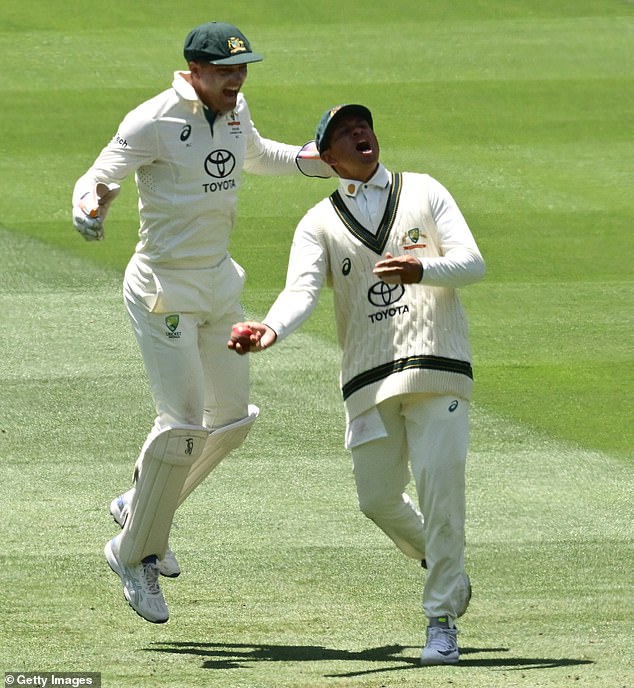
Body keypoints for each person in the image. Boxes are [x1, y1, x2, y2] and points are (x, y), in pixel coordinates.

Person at [71, 21, 332, 624]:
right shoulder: (153, 120)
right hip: (163, 288)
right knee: (183, 426)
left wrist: (313, 161)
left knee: (233, 421)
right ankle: (134, 553)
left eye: (242, 71)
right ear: (194, 71)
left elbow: (258, 155)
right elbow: (98, 178)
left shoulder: (236, 112)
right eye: (225, 73)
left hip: (217, 282)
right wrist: (88, 206)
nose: (236, 82)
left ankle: (139, 505)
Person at [228, 104, 486, 665]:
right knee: (376, 499)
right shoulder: (317, 222)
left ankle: (440, 619)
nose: (361, 133)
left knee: (441, 491)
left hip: (438, 364)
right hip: (368, 379)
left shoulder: (423, 190)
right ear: (326, 157)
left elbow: (472, 262)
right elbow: (300, 292)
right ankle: (449, 568)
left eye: (363, 124)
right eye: (345, 132)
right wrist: (269, 328)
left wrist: (422, 270)